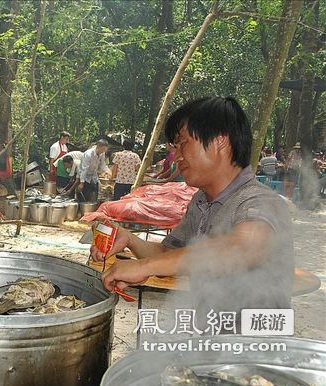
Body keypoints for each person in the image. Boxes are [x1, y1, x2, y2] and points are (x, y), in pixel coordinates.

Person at [92, 97, 293, 328]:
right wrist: (128, 238)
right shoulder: (201, 200)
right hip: (209, 346)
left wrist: (145, 266)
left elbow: (243, 248)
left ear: (220, 141)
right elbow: (169, 253)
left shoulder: (259, 200)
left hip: (256, 353)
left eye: (182, 144)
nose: (176, 156)